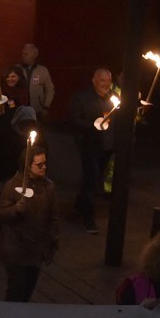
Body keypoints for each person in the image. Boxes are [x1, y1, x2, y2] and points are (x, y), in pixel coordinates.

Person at [0, 145, 59, 302]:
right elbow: (0, 213)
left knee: (28, 289)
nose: (44, 167)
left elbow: (54, 216)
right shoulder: (11, 186)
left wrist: (53, 240)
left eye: (45, 163)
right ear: (27, 166)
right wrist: (16, 209)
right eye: (39, 165)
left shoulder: (48, 186)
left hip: (36, 250)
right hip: (16, 249)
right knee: (16, 290)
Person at [69, 68, 115, 234]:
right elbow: (74, 121)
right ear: (94, 81)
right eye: (103, 81)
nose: (106, 84)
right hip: (89, 145)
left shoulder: (113, 98)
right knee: (92, 179)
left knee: (96, 178)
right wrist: (92, 124)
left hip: (107, 146)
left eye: (109, 81)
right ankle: (88, 218)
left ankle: (80, 204)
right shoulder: (82, 98)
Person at [19, 43, 54, 121]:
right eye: (23, 53)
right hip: (20, 110)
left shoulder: (42, 71)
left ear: (34, 55)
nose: (23, 56)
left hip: (37, 110)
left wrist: (46, 106)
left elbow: (50, 89)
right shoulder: (17, 69)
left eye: (26, 54)